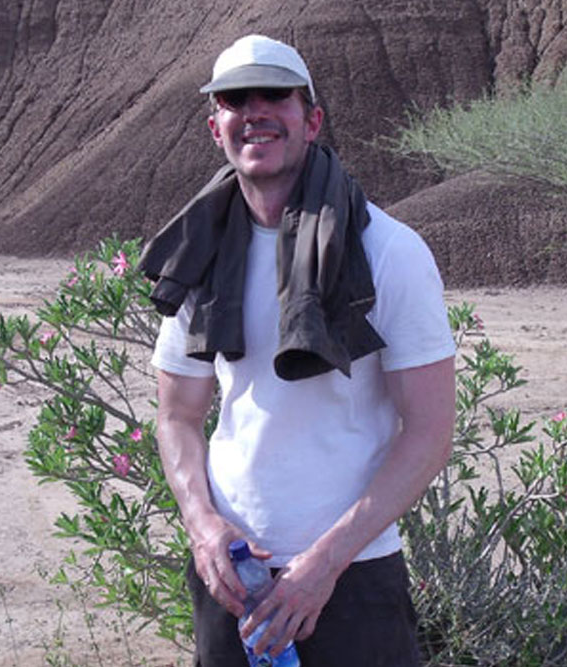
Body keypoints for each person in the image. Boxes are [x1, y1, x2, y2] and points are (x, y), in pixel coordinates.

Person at [138, 34, 456, 667]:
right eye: (235, 99)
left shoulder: (388, 252)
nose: (254, 111)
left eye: (274, 96)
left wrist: (323, 563)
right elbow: (176, 416)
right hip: (231, 580)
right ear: (215, 126)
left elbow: (430, 431)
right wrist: (203, 527)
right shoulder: (199, 255)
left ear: (310, 120)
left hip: (352, 575)